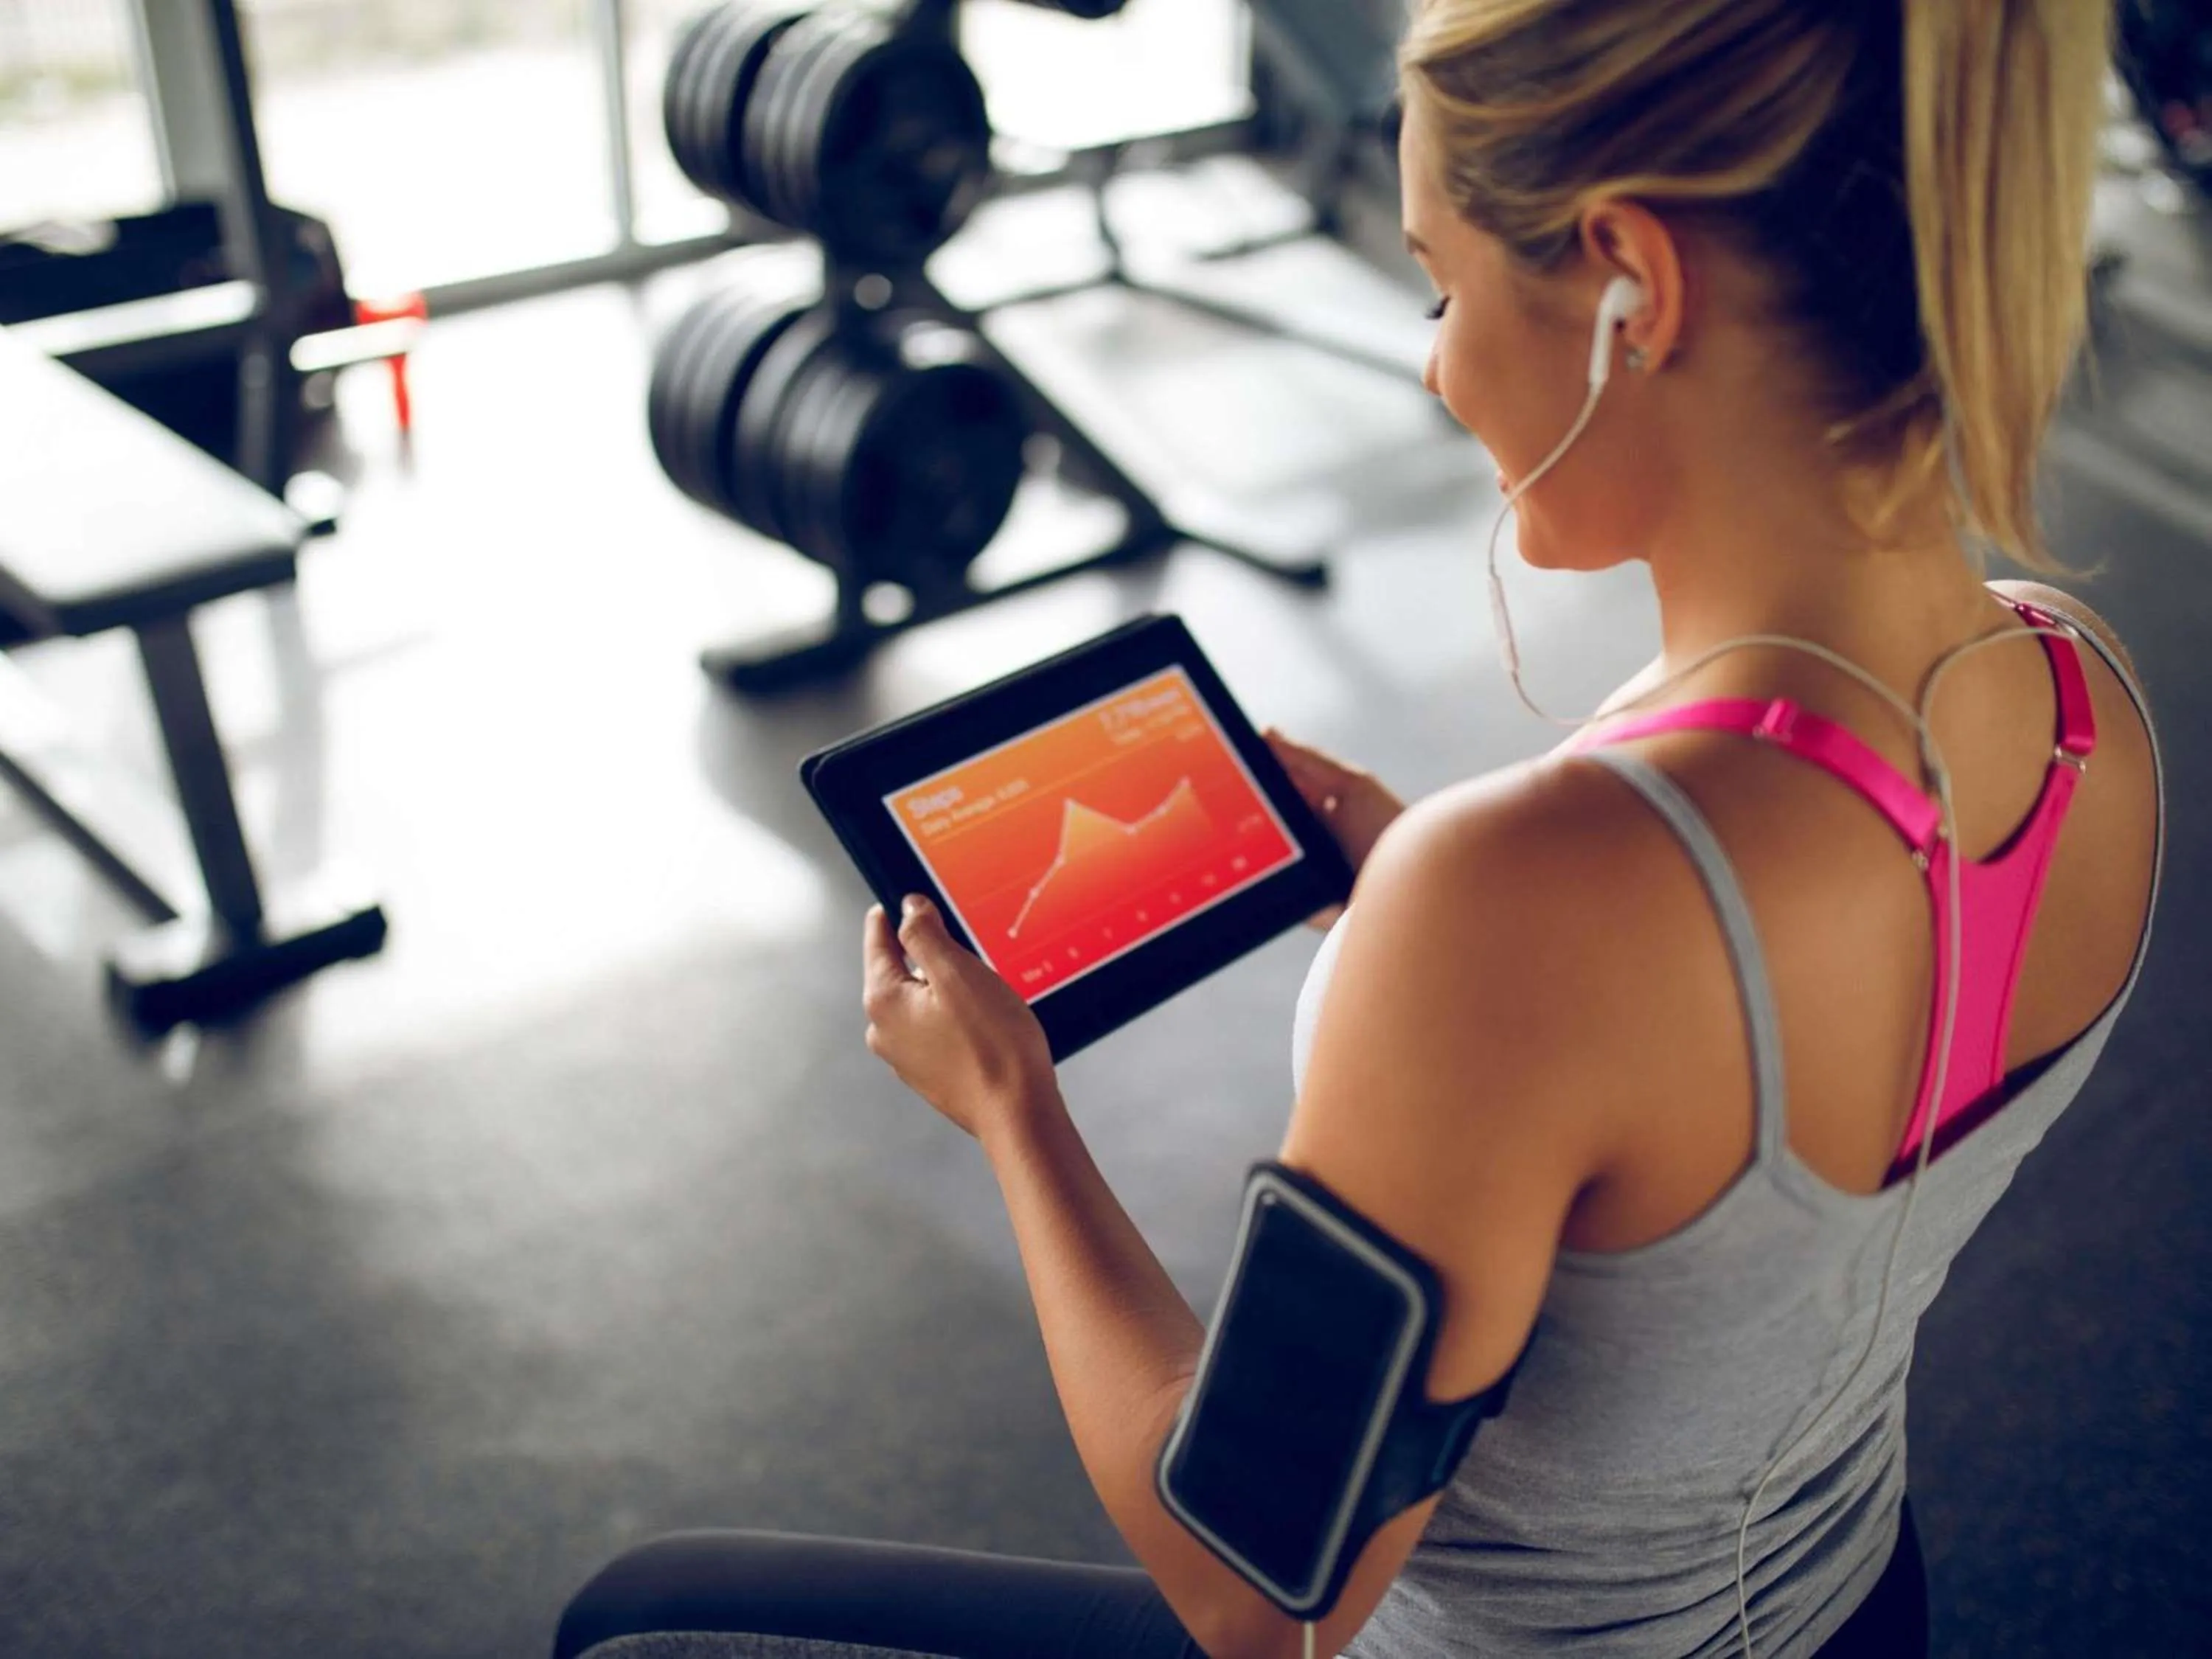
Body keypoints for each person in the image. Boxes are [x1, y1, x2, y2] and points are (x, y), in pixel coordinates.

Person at [554, 1, 2162, 1655]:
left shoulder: (1524, 909)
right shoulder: (2079, 697)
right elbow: (1745, 1150)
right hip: (1858, 1614)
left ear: (1632, 283)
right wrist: (1439, 906)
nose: (1437, 358)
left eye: (1443, 288)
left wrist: (1012, 1111)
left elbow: (1254, 1594)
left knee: (640, 1614)